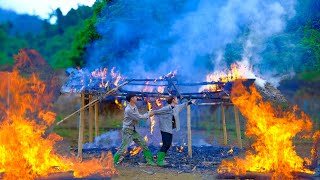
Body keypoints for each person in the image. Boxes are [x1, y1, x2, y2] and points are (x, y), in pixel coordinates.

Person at [113, 93, 156, 166]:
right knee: (123, 148)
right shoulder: (128, 110)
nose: (136, 98)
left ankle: (150, 161)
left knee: (144, 144)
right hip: (127, 130)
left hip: (133, 130)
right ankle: (112, 163)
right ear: (131, 99)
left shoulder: (134, 106)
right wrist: (148, 114)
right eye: (135, 97)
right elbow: (138, 118)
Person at [151, 96, 195, 166]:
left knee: (168, 145)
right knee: (166, 145)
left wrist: (190, 102)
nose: (177, 100)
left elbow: (183, 105)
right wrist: (146, 115)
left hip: (170, 129)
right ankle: (159, 161)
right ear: (173, 100)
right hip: (165, 128)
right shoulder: (166, 108)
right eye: (176, 99)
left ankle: (160, 160)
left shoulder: (176, 107)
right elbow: (156, 112)